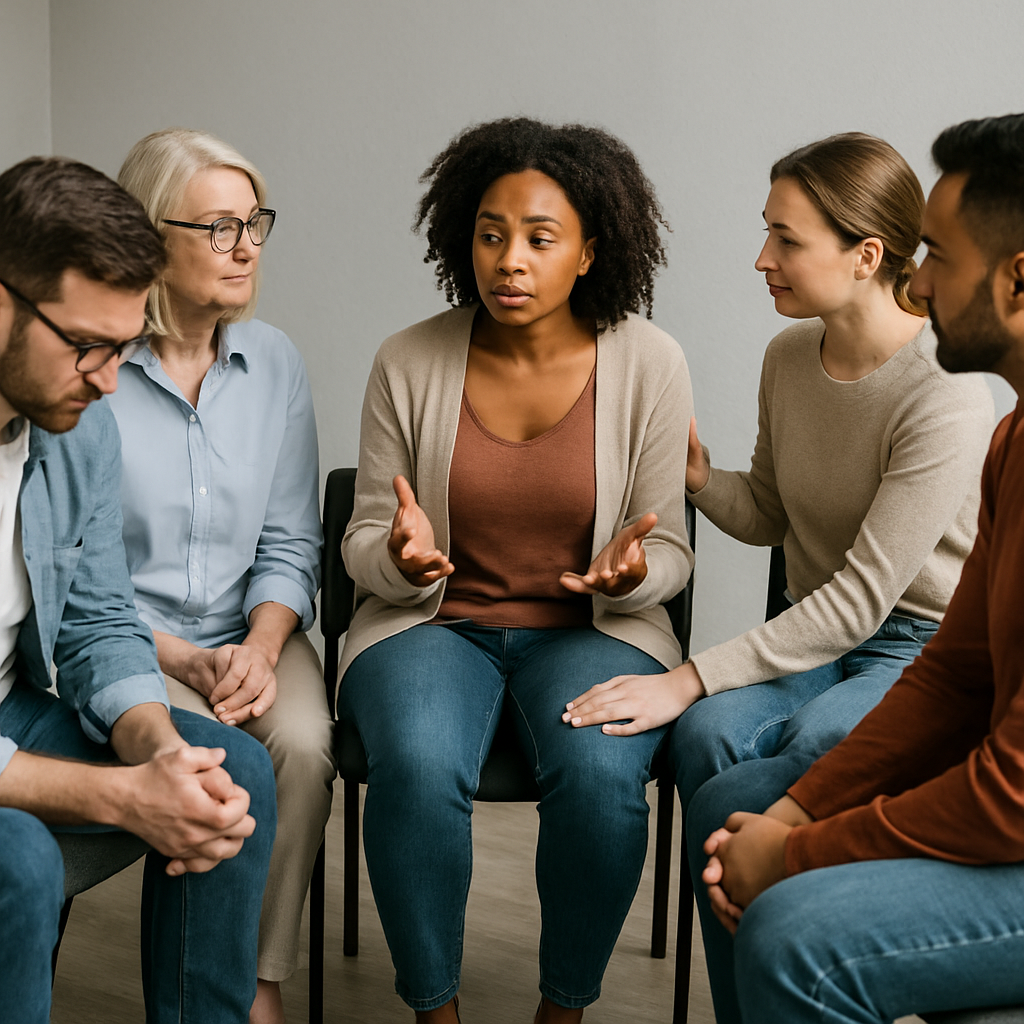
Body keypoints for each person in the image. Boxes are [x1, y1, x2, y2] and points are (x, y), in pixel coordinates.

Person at [560, 132, 995, 1022]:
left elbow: (866, 598)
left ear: (867, 254)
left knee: (806, 750)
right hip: (815, 625)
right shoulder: (789, 358)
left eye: (786, 240)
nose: (762, 259)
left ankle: (808, 970)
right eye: (768, 233)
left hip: (910, 646)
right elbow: (768, 513)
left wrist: (685, 675)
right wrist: (696, 481)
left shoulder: (944, 393)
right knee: (707, 740)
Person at [338, 117, 693, 1024]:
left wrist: (631, 575)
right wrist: (399, 557)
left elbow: (673, 552)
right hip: (431, 627)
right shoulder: (407, 359)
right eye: (491, 234)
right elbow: (365, 536)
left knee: (604, 780)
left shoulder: (651, 364)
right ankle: (434, 1010)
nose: (510, 261)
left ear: (588, 252)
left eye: (540, 239)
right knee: (414, 764)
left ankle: (563, 1009)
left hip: (589, 634)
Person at [699, 111, 1024, 1024]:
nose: (917, 281)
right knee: (732, 803)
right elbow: (955, 674)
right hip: (979, 765)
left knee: (792, 934)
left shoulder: (957, 407)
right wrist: (794, 816)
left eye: (939, 258)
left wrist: (796, 852)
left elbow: (1010, 792)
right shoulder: (1015, 441)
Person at [0, 155, 276, 1024]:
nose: (110, 380)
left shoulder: (75, 429)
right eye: (88, 346)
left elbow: (98, 622)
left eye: (121, 349)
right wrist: (121, 795)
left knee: (233, 774)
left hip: (12, 708)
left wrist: (156, 750)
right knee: (21, 863)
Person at [111, 128, 333, 1024]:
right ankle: (205, 989)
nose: (246, 248)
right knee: (221, 767)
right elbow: (73, 573)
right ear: (146, 236)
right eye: (218, 227)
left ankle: (258, 977)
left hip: (254, 633)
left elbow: (290, 538)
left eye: (255, 223)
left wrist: (264, 641)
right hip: (135, 643)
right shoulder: (94, 367)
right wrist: (184, 659)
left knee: (307, 747)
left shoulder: (273, 359)